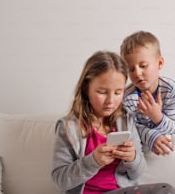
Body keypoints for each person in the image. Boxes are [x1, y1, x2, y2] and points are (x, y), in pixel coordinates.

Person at [51, 51, 146, 194]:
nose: (110, 101)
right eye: (102, 92)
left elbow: (138, 173)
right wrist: (94, 161)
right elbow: (60, 180)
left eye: (118, 92)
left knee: (167, 190)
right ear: (86, 88)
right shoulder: (69, 127)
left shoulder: (126, 120)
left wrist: (132, 158)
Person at [120, 31, 175, 156]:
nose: (137, 73)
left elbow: (174, 127)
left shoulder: (170, 88)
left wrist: (157, 116)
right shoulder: (127, 98)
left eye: (143, 66)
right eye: (131, 69)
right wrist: (152, 136)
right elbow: (131, 129)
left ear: (159, 63)